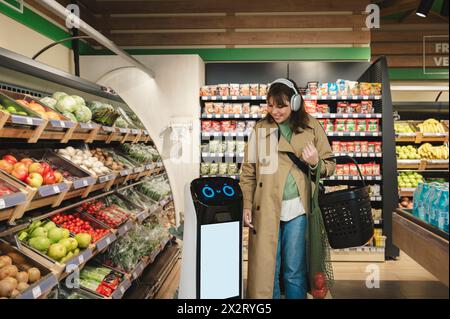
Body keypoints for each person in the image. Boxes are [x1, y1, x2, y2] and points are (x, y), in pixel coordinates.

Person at [240, 78, 335, 299]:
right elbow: (248, 171)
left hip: (298, 209)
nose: (274, 111)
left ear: (294, 103)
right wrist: (246, 204)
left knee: (294, 270)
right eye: (270, 104)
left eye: (280, 105)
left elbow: (330, 165)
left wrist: (315, 163)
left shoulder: (311, 127)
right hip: (265, 208)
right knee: (268, 271)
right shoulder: (260, 129)